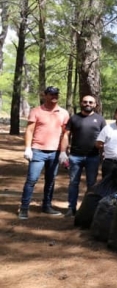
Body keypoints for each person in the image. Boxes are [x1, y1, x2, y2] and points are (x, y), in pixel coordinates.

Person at [18, 86, 70, 219]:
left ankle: (46, 206)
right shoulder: (36, 111)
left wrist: (64, 151)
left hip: (55, 152)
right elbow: (29, 130)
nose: (54, 96)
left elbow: (65, 134)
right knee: (32, 180)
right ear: (45, 95)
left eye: (56, 94)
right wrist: (28, 148)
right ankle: (24, 208)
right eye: (51, 94)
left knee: (50, 180)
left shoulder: (63, 113)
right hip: (38, 150)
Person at [65, 94, 107, 217]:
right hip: (75, 156)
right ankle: (71, 208)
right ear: (81, 103)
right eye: (85, 102)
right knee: (73, 183)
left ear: (95, 104)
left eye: (90, 102)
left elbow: (105, 138)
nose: (87, 104)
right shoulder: (74, 118)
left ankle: (89, 209)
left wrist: (104, 152)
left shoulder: (100, 119)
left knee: (91, 184)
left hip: (93, 157)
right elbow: (66, 135)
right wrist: (63, 151)